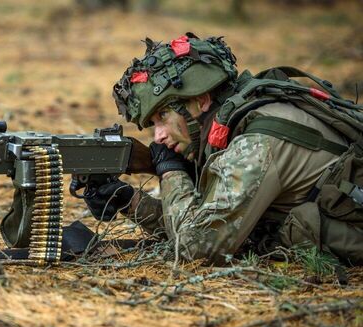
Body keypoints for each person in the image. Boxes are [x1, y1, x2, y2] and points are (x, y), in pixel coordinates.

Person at [84, 33, 363, 266]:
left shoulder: (254, 144)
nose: (158, 136)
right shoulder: (238, 123)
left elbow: (197, 247)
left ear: (201, 100)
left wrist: (170, 170)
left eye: (163, 118)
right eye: (152, 125)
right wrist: (128, 200)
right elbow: (200, 221)